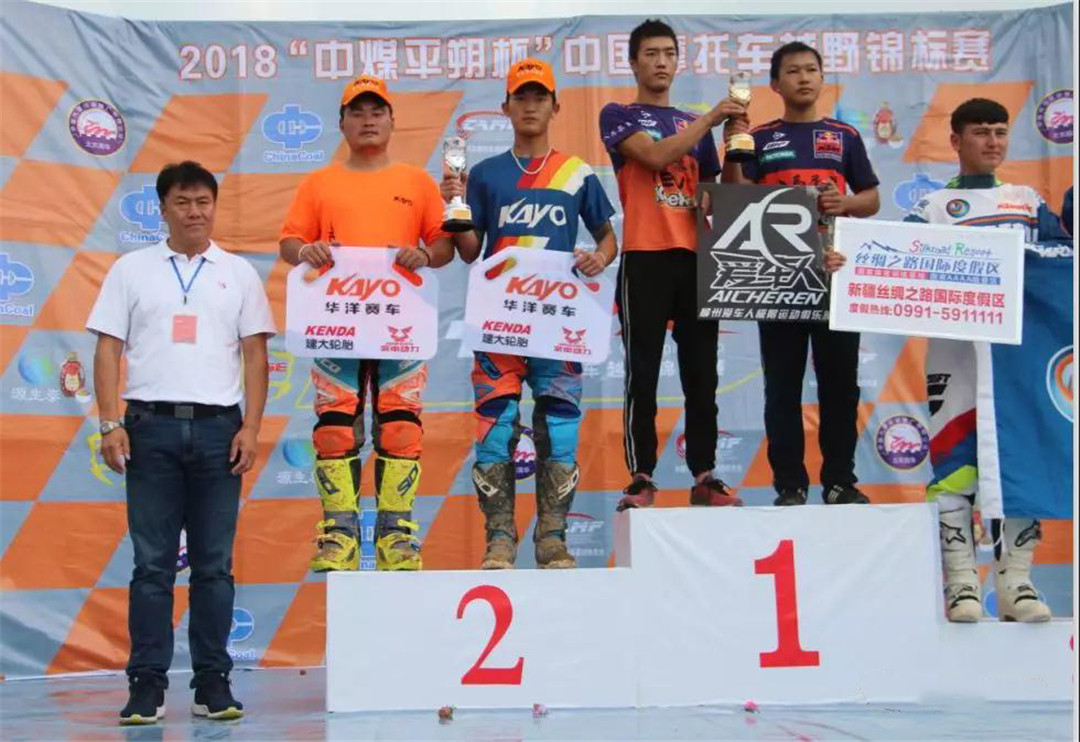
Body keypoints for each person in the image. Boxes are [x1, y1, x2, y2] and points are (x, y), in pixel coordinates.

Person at [88, 161, 274, 724]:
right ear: (162, 209)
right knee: (152, 566)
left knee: (215, 566)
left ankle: (212, 682)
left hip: (221, 431)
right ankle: (146, 685)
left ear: (214, 206)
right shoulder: (130, 269)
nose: (195, 212)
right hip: (150, 428)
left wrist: (251, 427)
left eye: (203, 202)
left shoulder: (238, 273)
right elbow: (106, 349)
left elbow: (256, 355)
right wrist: (109, 423)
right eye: (183, 202)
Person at [441, 58, 617, 569]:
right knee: (495, 427)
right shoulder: (484, 174)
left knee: (559, 428)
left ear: (556, 106)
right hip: (499, 323)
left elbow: (608, 238)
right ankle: (500, 538)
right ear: (506, 107)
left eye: (540, 97)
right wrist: (455, 208)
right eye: (522, 97)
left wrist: (599, 258)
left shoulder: (577, 173)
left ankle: (552, 538)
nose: (531, 106)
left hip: (558, 323)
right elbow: (471, 253)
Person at [279, 75, 455, 573]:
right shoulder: (319, 183)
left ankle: (396, 537)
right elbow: (289, 242)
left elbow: (443, 245)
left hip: (400, 322)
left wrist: (425, 255)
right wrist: (306, 250)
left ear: (393, 120)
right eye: (357, 111)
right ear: (341, 123)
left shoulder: (417, 182)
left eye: (377, 111)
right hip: (336, 322)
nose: (368, 120)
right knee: (335, 426)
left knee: (400, 424)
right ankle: (340, 535)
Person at [905, 98, 1065, 623]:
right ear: (955, 141)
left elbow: (1063, 268)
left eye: (1000, 131)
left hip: (1020, 359)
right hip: (956, 353)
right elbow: (890, 265)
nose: (992, 141)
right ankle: (960, 584)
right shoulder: (931, 207)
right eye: (980, 132)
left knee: (1020, 457)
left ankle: (1016, 582)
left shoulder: (1027, 202)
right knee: (954, 462)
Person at [598, 18, 748, 511]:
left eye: (668, 54)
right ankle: (641, 476)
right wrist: (710, 119)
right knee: (642, 373)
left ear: (678, 62)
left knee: (702, 375)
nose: (661, 62)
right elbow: (654, 156)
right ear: (633, 62)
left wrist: (735, 142)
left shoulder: (696, 124)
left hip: (696, 257)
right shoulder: (618, 114)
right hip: (644, 255)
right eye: (651, 54)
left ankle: (705, 475)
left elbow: (715, 194)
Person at [730, 42, 881, 506]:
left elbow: (871, 198)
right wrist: (733, 147)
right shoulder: (758, 137)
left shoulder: (844, 136)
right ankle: (790, 484)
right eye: (793, 71)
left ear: (822, 78)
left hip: (834, 275)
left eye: (811, 70)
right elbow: (735, 198)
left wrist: (845, 202)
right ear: (775, 84)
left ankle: (839, 481)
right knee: (782, 388)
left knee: (841, 387)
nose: (803, 78)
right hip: (777, 277)